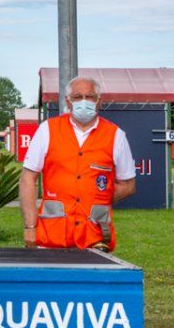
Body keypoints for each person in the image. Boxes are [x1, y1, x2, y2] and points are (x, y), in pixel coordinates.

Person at [19, 75, 135, 250]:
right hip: (51, 237)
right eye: (78, 97)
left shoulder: (116, 135)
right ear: (68, 101)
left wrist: (97, 198)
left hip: (96, 238)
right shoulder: (47, 130)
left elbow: (128, 185)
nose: (84, 101)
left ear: (99, 101)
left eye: (90, 97)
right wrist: (30, 226)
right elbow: (27, 179)